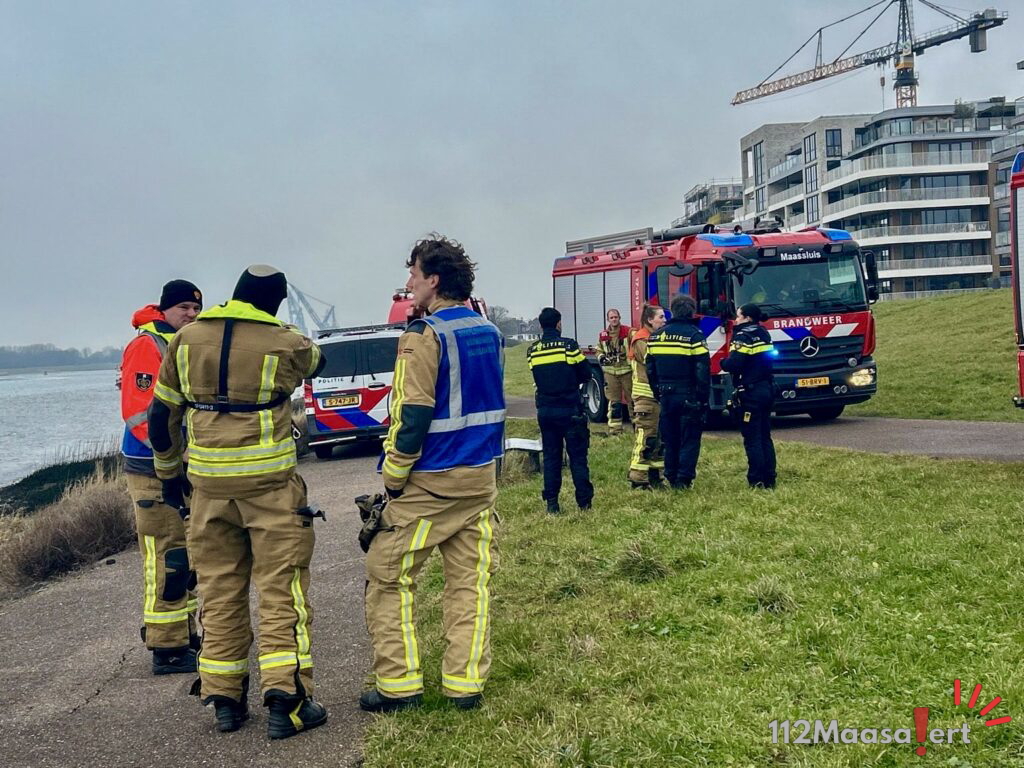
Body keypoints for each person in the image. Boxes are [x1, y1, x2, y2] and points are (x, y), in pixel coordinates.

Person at [149, 266, 328, 738]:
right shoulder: (285, 342)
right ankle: (286, 703)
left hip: (208, 490)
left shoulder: (184, 339)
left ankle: (225, 701)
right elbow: (319, 362)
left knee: (220, 593)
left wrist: (170, 476)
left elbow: (160, 414)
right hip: (270, 490)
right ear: (275, 302)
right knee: (280, 591)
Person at [362, 234, 505, 714]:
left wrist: (393, 479)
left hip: (432, 481)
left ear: (434, 280)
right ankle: (465, 685)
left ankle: (398, 686)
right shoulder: (489, 331)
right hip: (480, 479)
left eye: (414, 274)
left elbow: (412, 416)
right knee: (469, 583)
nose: (408, 284)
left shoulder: (423, 336)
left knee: (386, 574)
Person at [120, 279, 202, 675]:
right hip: (152, 470)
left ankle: (182, 633)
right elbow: (141, 416)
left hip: (176, 468)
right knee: (166, 557)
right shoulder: (146, 345)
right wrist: (172, 456)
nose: (191, 314)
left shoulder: (176, 343)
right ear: (165, 309)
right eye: (184, 307)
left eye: (195, 309)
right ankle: (167, 648)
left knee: (183, 555)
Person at [527, 307, 594, 515]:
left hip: (546, 411)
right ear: (558, 324)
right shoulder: (568, 347)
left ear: (540, 326)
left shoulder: (533, 350)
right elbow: (586, 373)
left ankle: (552, 504)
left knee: (551, 457)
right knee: (577, 457)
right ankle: (584, 503)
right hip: (570, 409)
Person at [646, 294, 711, 490]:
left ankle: (671, 474)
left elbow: (650, 368)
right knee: (690, 436)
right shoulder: (694, 335)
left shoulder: (656, 336)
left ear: (672, 311)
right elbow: (702, 370)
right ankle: (684, 478)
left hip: (666, 394)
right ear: (691, 311)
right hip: (688, 393)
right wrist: (702, 398)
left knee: (670, 437)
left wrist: (657, 391)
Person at [721, 303, 777, 489]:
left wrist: (723, 362)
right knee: (764, 435)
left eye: (738, 316)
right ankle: (770, 477)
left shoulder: (743, 336)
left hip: (751, 392)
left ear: (747, 318)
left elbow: (735, 364)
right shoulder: (763, 333)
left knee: (752, 438)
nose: (736, 320)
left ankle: (756, 479)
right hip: (766, 388)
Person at [627, 303, 666, 489]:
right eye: (661, 317)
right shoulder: (641, 339)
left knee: (658, 438)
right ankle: (638, 478)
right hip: (645, 398)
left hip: (655, 397)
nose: (664, 321)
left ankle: (655, 476)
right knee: (646, 436)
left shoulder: (653, 337)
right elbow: (654, 361)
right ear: (649, 320)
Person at [597, 308, 634, 434]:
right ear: (608, 319)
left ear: (619, 317)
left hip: (627, 372)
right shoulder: (603, 335)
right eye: (611, 317)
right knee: (614, 403)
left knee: (632, 400)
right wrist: (601, 357)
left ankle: (637, 426)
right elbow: (599, 349)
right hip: (611, 373)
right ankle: (615, 430)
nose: (614, 319)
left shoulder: (628, 332)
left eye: (616, 317)